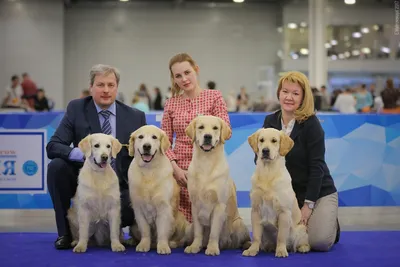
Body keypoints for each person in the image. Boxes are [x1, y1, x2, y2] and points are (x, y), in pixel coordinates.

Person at [46, 64, 147, 249]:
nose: (106, 90)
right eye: (100, 85)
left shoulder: (136, 117)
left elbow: (143, 158)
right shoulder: (76, 108)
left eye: (111, 85)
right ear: (91, 87)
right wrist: (83, 155)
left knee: (129, 207)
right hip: (84, 184)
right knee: (56, 167)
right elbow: (53, 146)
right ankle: (65, 234)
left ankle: (123, 233)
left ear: (117, 87)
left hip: (119, 188)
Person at [259, 71, 340, 252]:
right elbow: (260, 159)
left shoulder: (311, 124)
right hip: (287, 194)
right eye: (285, 91)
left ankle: (330, 223)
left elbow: (317, 167)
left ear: (303, 97)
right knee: (268, 245)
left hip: (317, 192)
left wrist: (308, 205)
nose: (289, 97)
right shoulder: (270, 120)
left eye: (295, 93)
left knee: (318, 242)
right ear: (279, 92)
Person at [161, 53, 231, 222]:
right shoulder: (170, 104)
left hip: (210, 173)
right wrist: (175, 169)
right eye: (178, 76)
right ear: (174, 79)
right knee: (181, 232)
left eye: (187, 72)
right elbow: (164, 142)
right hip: (180, 175)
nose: (184, 79)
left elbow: (226, 132)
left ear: (196, 70)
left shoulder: (214, 97)